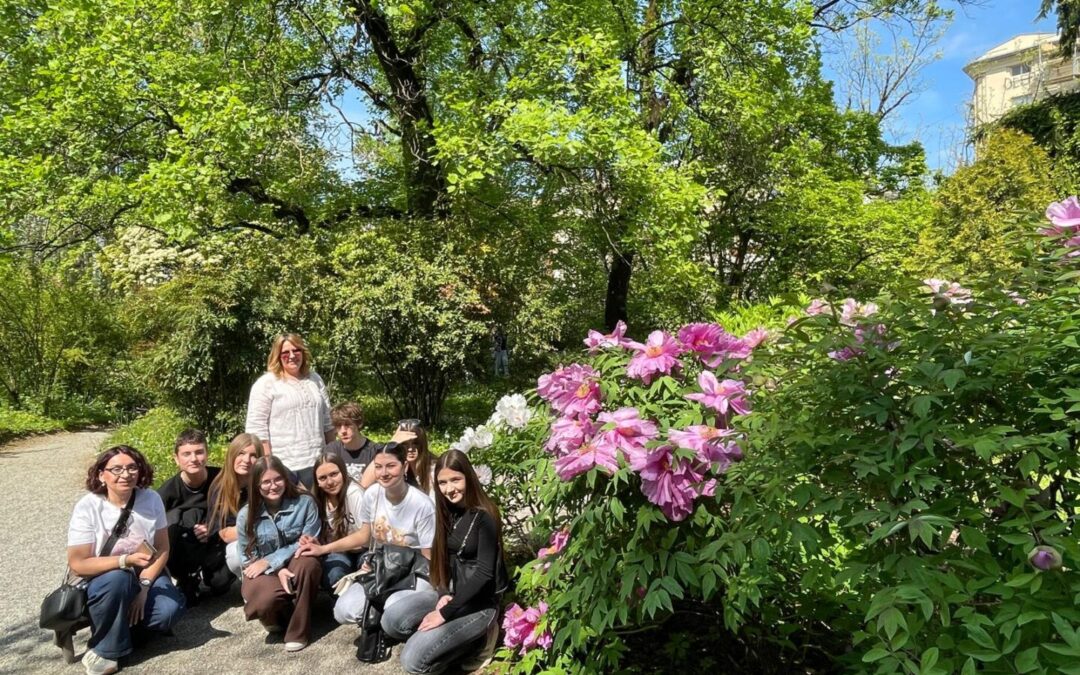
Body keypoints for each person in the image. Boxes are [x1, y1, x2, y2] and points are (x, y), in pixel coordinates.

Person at [66, 446, 186, 675]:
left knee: (169, 610)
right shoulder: (88, 506)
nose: (126, 474)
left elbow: (162, 548)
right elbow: (78, 563)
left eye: (132, 467)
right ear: (101, 474)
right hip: (105, 578)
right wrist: (125, 560)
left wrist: (144, 587)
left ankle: (116, 630)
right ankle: (106, 651)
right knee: (118, 579)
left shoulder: (151, 499)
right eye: (116, 469)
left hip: (146, 572)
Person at [297, 443, 436, 637]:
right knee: (343, 611)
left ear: (405, 467)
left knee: (392, 609)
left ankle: (405, 613)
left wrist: (442, 592)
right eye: (378, 467)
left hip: (414, 571)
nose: (383, 473)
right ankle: (382, 616)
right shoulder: (372, 494)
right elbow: (364, 536)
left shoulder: (422, 505)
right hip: (384, 567)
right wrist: (324, 549)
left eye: (391, 466)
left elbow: (429, 556)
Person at [399, 449, 508, 673]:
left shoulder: (484, 515)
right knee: (393, 621)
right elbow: (443, 559)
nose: (449, 489)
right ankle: (455, 639)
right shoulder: (447, 511)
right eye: (442, 482)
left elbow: (484, 574)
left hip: (480, 603)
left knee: (413, 661)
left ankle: (481, 640)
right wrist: (443, 594)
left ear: (468, 477)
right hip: (453, 593)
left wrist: (443, 614)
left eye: (456, 479)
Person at [236, 456, 322, 652]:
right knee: (265, 601)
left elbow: (308, 542)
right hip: (263, 570)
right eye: (266, 482)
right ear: (256, 484)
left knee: (308, 563)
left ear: (285, 478)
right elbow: (247, 558)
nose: (273, 486)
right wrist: (277, 569)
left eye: (278, 479)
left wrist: (272, 560)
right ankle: (275, 615)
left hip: (296, 561)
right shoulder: (245, 515)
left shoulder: (305, 503)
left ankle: (298, 632)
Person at [245, 333, 335, 487]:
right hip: (285, 466)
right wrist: (271, 467)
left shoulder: (315, 379)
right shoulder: (266, 384)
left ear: (303, 352)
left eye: (296, 350)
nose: (292, 356)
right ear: (277, 356)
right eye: (285, 352)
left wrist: (332, 458)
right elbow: (257, 430)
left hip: (318, 463)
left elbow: (328, 422)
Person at [156, 429, 232, 604]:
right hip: (183, 542)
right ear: (176, 458)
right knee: (180, 517)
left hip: (217, 538)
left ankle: (214, 572)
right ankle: (186, 577)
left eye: (199, 452)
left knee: (220, 584)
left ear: (207, 454)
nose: (194, 459)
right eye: (186, 454)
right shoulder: (166, 493)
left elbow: (240, 510)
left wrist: (214, 527)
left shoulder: (222, 479)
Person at [207, 432, 264, 579]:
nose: (246, 460)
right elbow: (226, 534)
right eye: (241, 453)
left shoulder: (266, 483)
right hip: (231, 548)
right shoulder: (220, 488)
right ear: (232, 455)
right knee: (234, 556)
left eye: (253, 455)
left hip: (267, 543)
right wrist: (265, 528)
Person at [307, 453, 366, 589]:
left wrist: (323, 549)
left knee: (367, 576)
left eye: (334, 474)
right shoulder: (318, 499)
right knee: (335, 576)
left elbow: (364, 536)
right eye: (323, 478)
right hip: (339, 551)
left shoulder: (354, 493)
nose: (329, 482)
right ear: (317, 482)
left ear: (343, 472)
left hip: (364, 549)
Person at [325, 401, 384, 485]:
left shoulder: (375, 451)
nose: (343, 431)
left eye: (348, 425)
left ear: (359, 424)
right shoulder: (332, 450)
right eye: (338, 426)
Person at [397, 419, 434, 496]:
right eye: (405, 444)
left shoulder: (432, 469)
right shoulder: (401, 467)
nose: (410, 449)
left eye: (415, 443)